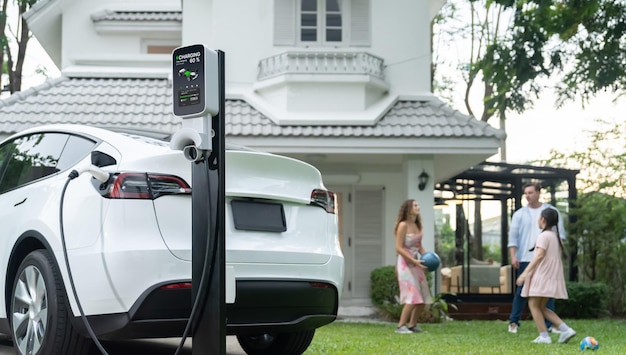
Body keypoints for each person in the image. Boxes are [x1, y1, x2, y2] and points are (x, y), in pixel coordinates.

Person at [507, 182, 566, 334]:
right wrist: (513, 256)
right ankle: (514, 322)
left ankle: (551, 325)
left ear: (539, 192)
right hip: (526, 259)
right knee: (522, 291)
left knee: (547, 293)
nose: (527, 196)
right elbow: (513, 238)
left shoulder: (552, 212)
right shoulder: (519, 214)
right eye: (525, 193)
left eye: (530, 192)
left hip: (546, 261)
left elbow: (561, 236)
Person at [516, 208, 576, 344]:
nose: (538, 220)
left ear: (543, 220)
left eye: (539, 218)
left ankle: (544, 336)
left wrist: (525, 273)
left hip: (542, 274)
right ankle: (564, 329)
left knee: (533, 304)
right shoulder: (555, 237)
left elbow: (539, 256)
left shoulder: (543, 236)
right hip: (551, 275)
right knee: (541, 307)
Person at [394, 199, 433, 334]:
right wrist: (414, 261)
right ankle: (400, 326)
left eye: (418, 205)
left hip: (416, 262)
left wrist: (428, 258)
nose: (418, 207)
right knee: (412, 295)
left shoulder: (417, 226)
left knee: (423, 297)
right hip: (405, 263)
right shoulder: (403, 225)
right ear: (408, 208)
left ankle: (412, 325)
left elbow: (419, 247)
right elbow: (399, 248)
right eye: (415, 205)